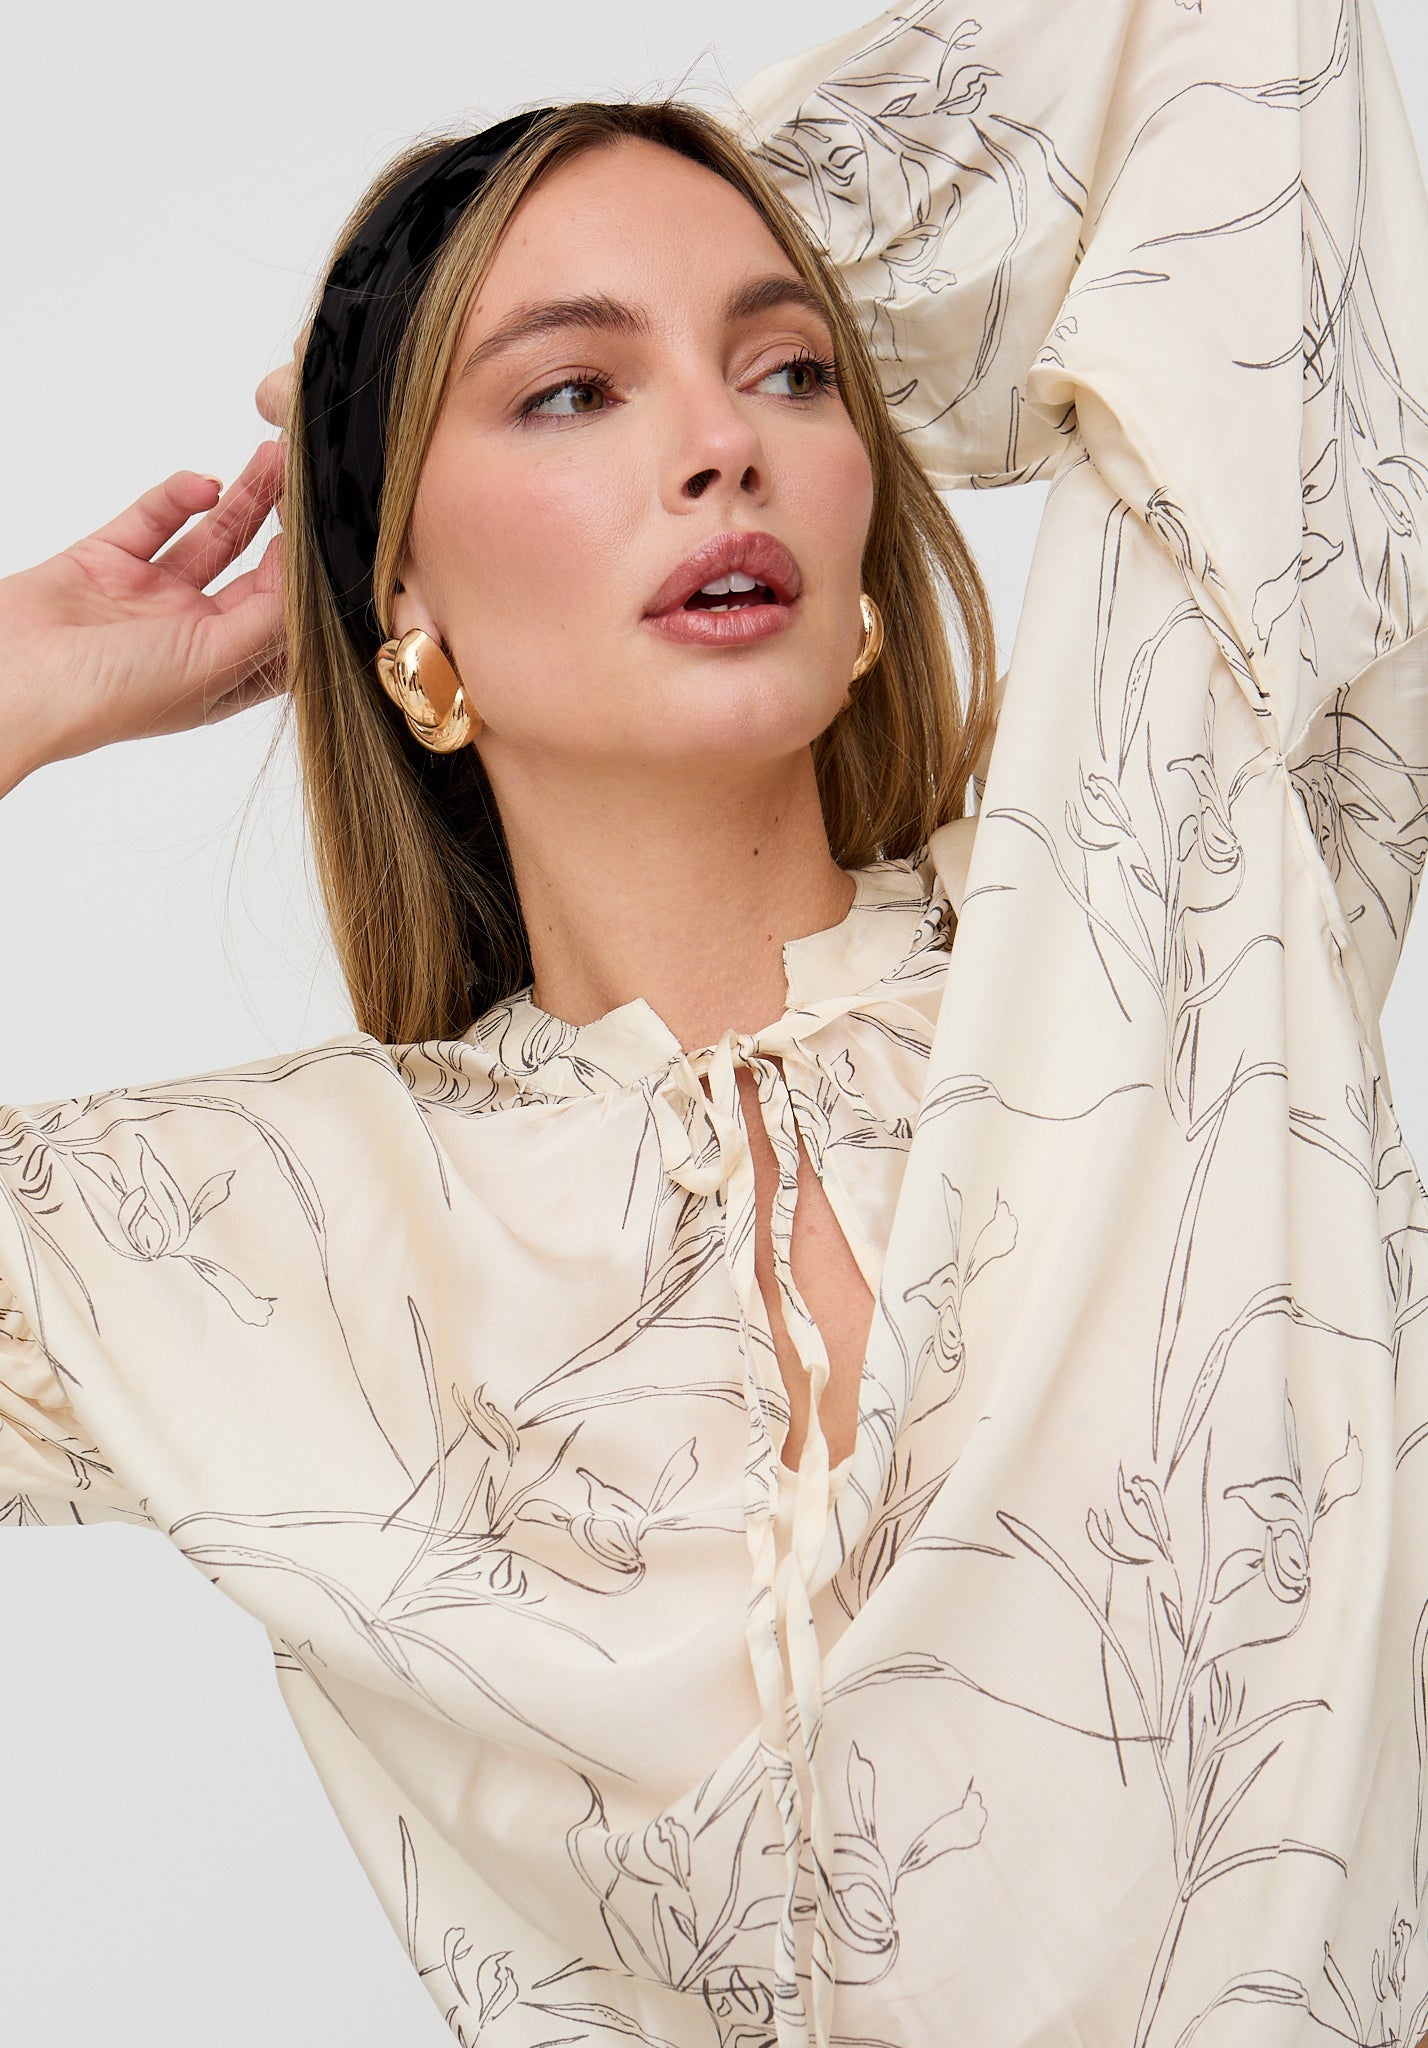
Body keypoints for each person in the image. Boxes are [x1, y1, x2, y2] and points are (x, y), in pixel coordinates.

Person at [3, 1, 1427, 2042]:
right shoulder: (288, 1239)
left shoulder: (1162, 922)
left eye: (793, 370)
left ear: (860, 546)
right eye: (571, 390)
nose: (722, 440)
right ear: (404, 614)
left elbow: (1249, 44)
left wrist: (659, 219)